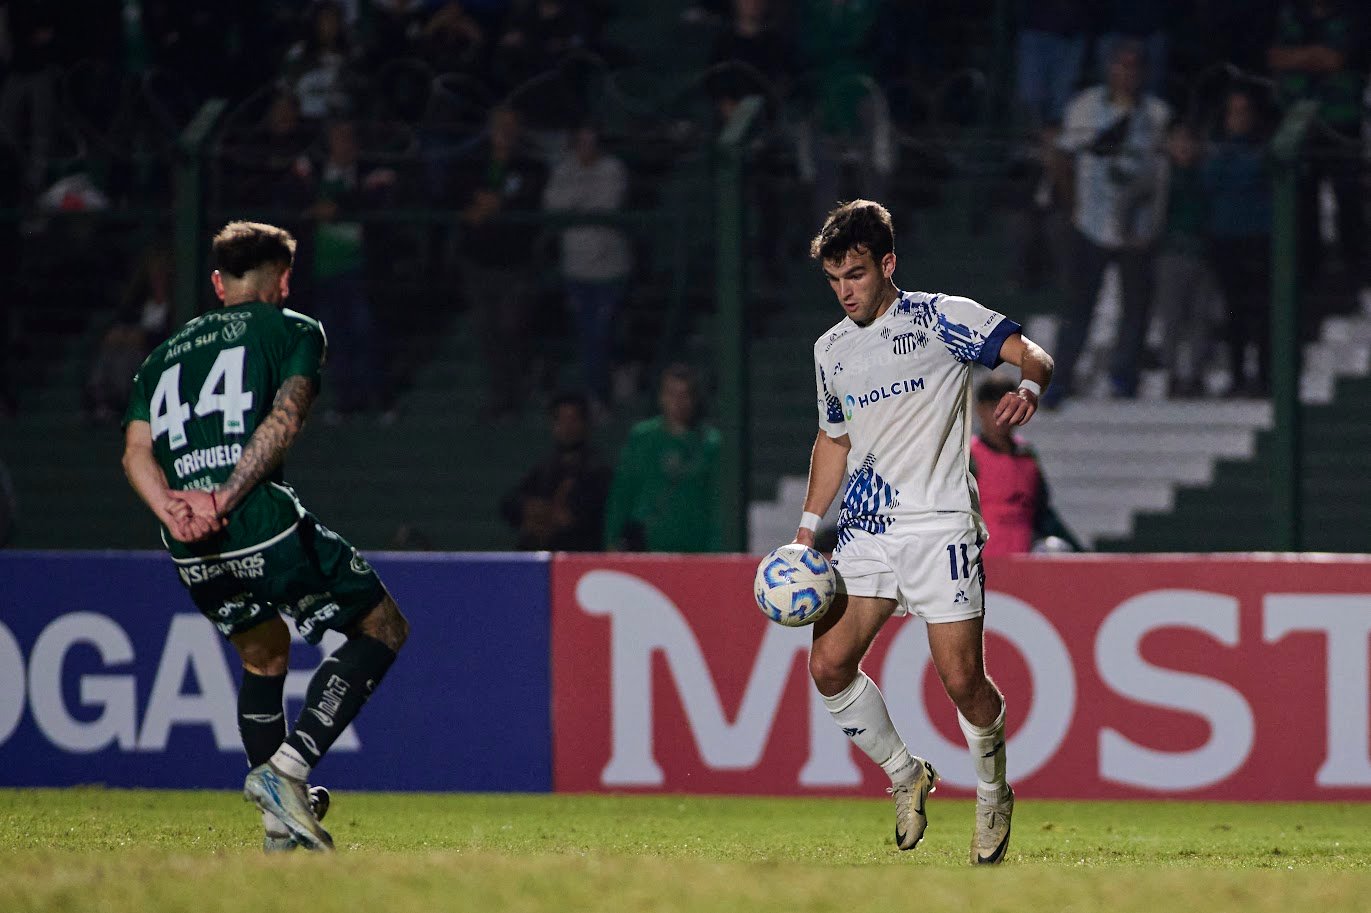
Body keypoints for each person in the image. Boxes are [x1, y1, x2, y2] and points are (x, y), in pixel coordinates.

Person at [120, 222, 409, 853]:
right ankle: (288, 769)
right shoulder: (294, 329)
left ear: (219, 283)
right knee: (382, 626)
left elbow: (135, 451)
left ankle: (278, 829)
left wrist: (171, 509)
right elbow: (287, 417)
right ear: (284, 280)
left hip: (186, 540)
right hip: (252, 519)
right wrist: (226, 497)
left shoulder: (161, 355)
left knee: (264, 653)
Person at [797, 200, 1054, 865]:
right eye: (833, 279)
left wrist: (1027, 383)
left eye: (854, 274)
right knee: (826, 664)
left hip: (939, 525)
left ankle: (993, 790)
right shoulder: (830, 349)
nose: (845, 290)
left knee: (962, 680)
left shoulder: (941, 317)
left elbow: (1033, 353)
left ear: (886, 264)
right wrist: (805, 530)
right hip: (865, 528)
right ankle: (905, 772)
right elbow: (832, 439)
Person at [1046, 41, 1169, 405]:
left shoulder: (1158, 114)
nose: (1127, 74)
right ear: (1110, 68)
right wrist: (1074, 206)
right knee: (1079, 307)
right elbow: (1062, 158)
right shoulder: (1084, 108)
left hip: (1139, 229)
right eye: (1121, 65)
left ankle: (1124, 379)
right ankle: (1061, 380)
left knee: (1136, 309)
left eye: (1135, 66)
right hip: (1091, 223)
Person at [542, 123, 631, 411]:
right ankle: (598, 392)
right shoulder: (563, 169)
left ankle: (605, 387)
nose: (585, 148)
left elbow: (607, 204)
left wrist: (576, 203)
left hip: (610, 269)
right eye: (580, 142)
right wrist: (582, 202)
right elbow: (553, 203)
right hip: (575, 269)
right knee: (588, 334)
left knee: (602, 332)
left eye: (590, 142)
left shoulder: (613, 168)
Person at [604, 363, 722, 552]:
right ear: (661, 397)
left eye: (685, 395)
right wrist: (611, 538)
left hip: (694, 548)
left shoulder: (710, 443)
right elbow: (622, 492)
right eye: (672, 394)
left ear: (694, 399)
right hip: (645, 547)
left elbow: (716, 504)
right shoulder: (642, 437)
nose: (678, 402)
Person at [1203, 88, 1274, 397]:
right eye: (1233, 112)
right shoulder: (1217, 152)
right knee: (1233, 313)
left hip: (1259, 240)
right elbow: (1210, 180)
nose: (1238, 119)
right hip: (1226, 241)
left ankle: (1266, 377)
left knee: (1261, 311)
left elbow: (1258, 173)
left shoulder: (1267, 151)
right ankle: (1237, 375)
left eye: (1244, 111)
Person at [970, 375, 1083, 556]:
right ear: (980, 410)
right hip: (982, 567)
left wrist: (1080, 553)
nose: (1004, 415)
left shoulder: (1027, 456)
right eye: (995, 407)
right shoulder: (969, 457)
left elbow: (1043, 514)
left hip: (1023, 568)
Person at [500, 391, 612, 550]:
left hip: (579, 555)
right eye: (560, 420)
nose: (567, 427)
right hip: (542, 555)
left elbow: (593, 515)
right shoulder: (544, 468)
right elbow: (510, 502)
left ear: (585, 423)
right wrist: (531, 507)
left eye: (572, 420)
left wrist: (565, 516)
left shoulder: (599, 471)